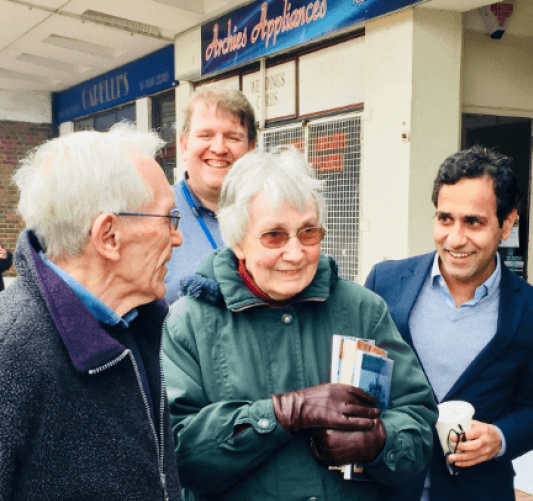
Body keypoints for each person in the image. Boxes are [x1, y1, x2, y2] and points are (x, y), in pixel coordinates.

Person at [162, 148, 437, 501]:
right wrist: (279, 414)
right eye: (274, 235)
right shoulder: (189, 322)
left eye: (308, 232)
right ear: (237, 240)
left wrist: (378, 442)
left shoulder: (363, 310)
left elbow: (418, 421)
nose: (294, 253)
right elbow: (179, 455)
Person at [365, 146, 533, 501]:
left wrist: (499, 437)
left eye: (473, 222)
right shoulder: (385, 283)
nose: (455, 239)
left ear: (507, 223)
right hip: (385, 487)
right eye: (444, 219)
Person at [0, 128, 183, 500]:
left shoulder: (135, 320)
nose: (177, 237)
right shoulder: (9, 353)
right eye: (168, 218)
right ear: (109, 236)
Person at [164, 86, 257, 304]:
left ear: (251, 149)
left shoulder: (271, 212)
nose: (218, 148)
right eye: (205, 135)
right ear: (184, 145)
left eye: (232, 137)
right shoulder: (155, 215)